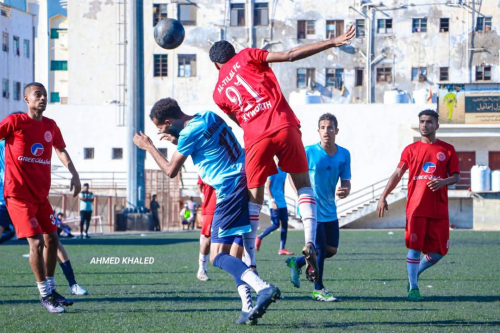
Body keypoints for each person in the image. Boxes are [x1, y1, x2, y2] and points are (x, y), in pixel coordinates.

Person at [209, 26, 355, 281]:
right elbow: (289, 55)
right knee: (303, 186)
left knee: (253, 200)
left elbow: (238, 120)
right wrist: (332, 42)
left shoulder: (218, 93)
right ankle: (309, 241)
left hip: (255, 138)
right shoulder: (247, 55)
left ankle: (251, 262)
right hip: (283, 125)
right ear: (233, 53)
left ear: (215, 65)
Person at [133, 97, 280, 325]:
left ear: (169, 121)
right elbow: (207, 143)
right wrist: (177, 139)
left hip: (229, 190)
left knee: (217, 256)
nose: (160, 131)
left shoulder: (189, 134)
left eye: (160, 127)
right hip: (245, 180)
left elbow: (171, 170)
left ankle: (263, 287)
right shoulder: (208, 116)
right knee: (235, 254)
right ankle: (247, 306)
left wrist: (149, 146)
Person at [0, 82, 81, 313]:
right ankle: (44, 295)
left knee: (52, 240)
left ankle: (53, 288)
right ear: (27, 99)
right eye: (38, 95)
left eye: (45, 94)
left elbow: (60, 149)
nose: (42, 98)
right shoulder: (15, 122)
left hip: (40, 197)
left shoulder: (50, 125)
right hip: (17, 196)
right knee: (35, 243)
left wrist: (74, 174)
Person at [377, 110, 460, 301]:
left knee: (440, 251)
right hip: (416, 208)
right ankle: (413, 286)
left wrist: (443, 182)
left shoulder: (447, 150)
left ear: (436, 126)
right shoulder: (410, 149)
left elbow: (456, 176)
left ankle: (415, 273)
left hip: (439, 209)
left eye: (429, 122)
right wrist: (383, 196)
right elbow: (397, 174)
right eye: (422, 122)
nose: (425, 125)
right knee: (414, 248)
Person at [286, 113, 351, 302]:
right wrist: (300, 195)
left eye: (330, 127)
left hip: (330, 208)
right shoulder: (308, 151)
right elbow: (292, 173)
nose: (326, 131)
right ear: (318, 131)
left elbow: (346, 180)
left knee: (331, 250)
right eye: (322, 128)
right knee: (320, 249)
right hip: (312, 209)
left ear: (336, 131)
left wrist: (345, 190)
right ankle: (318, 288)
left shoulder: (344, 154)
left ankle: (296, 262)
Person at [255, 164, 294, 255]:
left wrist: (283, 198)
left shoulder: (285, 172)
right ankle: (259, 237)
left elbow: (283, 185)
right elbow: (267, 187)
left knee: (284, 224)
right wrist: (272, 201)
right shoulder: (272, 170)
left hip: (282, 202)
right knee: (276, 224)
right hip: (274, 202)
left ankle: (282, 249)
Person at [197, 176, 217, 281]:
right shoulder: (207, 162)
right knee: (207, 239)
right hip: (211, 206)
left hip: (228, 206)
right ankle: (202, 269)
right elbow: (201, 181)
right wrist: (201, 195)